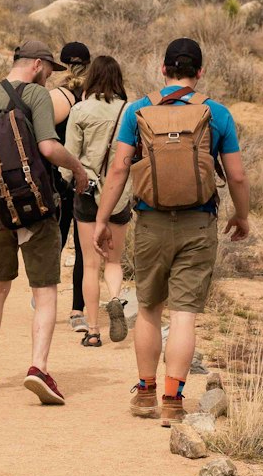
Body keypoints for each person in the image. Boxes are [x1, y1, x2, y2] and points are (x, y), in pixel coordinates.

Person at [95, 37, 249, 424]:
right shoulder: (218, 114)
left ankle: (145, 393)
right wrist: (242, 215)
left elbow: (118, 170)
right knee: (183, 315)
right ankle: (173, 399)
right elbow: (237, 175)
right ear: (199, 73)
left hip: (150, 221)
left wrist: (102, 218)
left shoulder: (138, 111)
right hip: (199, 222)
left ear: (163, 70)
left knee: (148, 309)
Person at [0, 38, 89, 404]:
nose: (48, 76)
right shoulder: (37, 96)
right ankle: (38, 367)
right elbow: (49, 148)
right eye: (49, 70)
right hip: (37, 208)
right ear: (37, 64)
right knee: (45, 290)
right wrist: (79, 169)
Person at [64, 54, 132, 346]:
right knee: (113, 261)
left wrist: (70, 182)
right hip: (119, 195)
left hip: (88, 194)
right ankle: (115, 298)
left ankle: (92, 330)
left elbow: (69, 156)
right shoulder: (130, 111)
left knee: (90, 265)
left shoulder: (79, 110)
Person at [51, 42, 91, 331]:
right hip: (87, 179)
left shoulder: (55, 97)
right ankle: (78, 309)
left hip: (58, 178)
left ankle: (47, 301)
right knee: (83, 248)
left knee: (55, 239)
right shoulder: (95, 99)